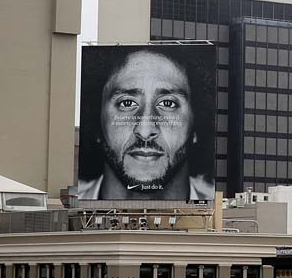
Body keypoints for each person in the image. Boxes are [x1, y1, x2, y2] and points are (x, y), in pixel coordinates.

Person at [78, 49, 214, 201]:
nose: (145, 131)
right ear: (97, 121)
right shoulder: (71, 212)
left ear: (197, 122)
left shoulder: (219, 213)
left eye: (168, 103)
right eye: (127, 103)